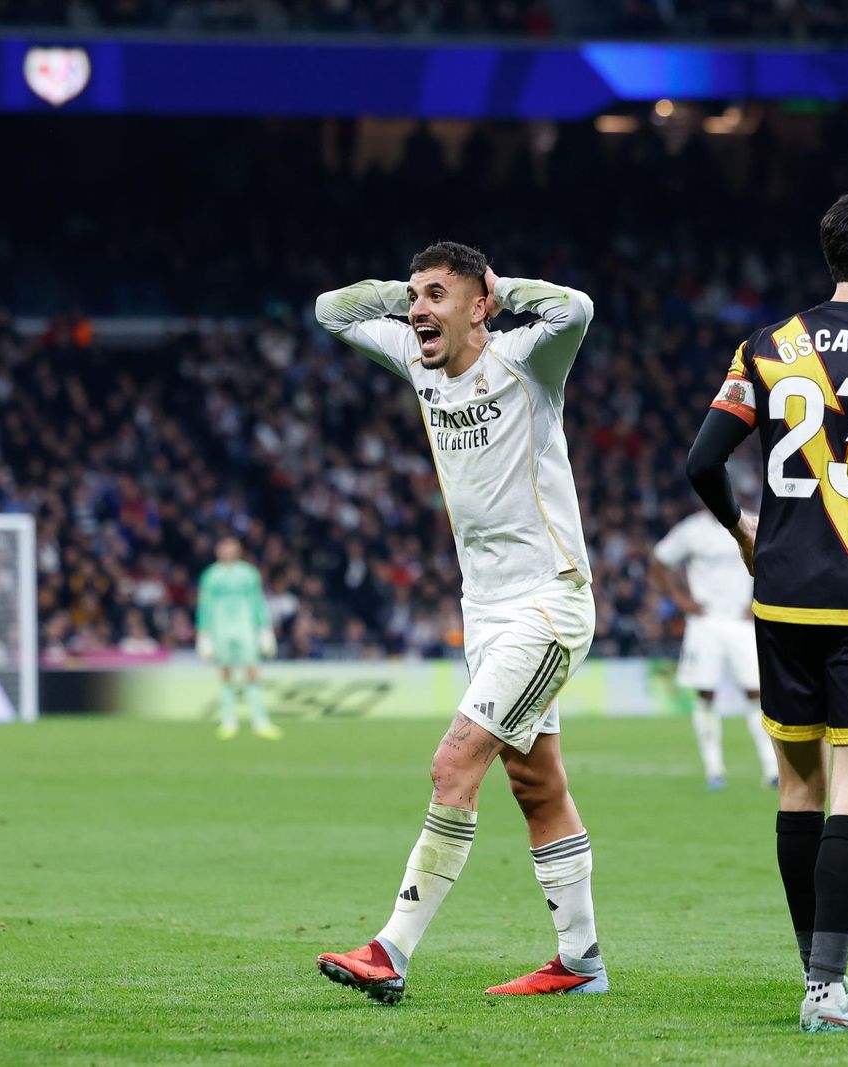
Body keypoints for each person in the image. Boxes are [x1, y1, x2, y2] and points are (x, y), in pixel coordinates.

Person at [685, 189, 848, 1033]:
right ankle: (828, 995)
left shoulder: (767, 346)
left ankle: (816, 975)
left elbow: (701, 461)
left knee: (799, 786)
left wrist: (739, 531)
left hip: (781, 596)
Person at [312, 242, 605, 1003]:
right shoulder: (417, 357)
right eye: (414, 295)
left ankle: (391, 948)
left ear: (480, 305)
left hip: (549, 600)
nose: (417, 309)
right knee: (536, 785)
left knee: (453, 764)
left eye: (436, 295)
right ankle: (580, 962)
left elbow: (575, 307)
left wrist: (503, 286)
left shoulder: (527, 363)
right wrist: (399, 295)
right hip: (484, 609)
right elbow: (329, 311)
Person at [651, 508, 780, 791]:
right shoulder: (692, 529)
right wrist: (680, 600)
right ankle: (714, 769)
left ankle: (771, 768)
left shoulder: (752, 522)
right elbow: (659, 561)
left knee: (756, 693)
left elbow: (776, 561)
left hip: (741, 620)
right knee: (706, 693)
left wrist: (762, 597)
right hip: (705, 621)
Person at [196, 536, 281, 740]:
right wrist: (203, 633)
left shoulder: (249, 574)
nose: (228, 552)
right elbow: (204, 605)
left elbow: (258, 601)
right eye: (224, 548)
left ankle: (260, 721)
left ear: (239, 551)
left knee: (252, 671)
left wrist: (265, 629)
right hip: (220, 630)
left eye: (232, 548)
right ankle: (228, 720)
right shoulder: (211, 576)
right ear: (218, 551)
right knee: (226, 673)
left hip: (245, 629)